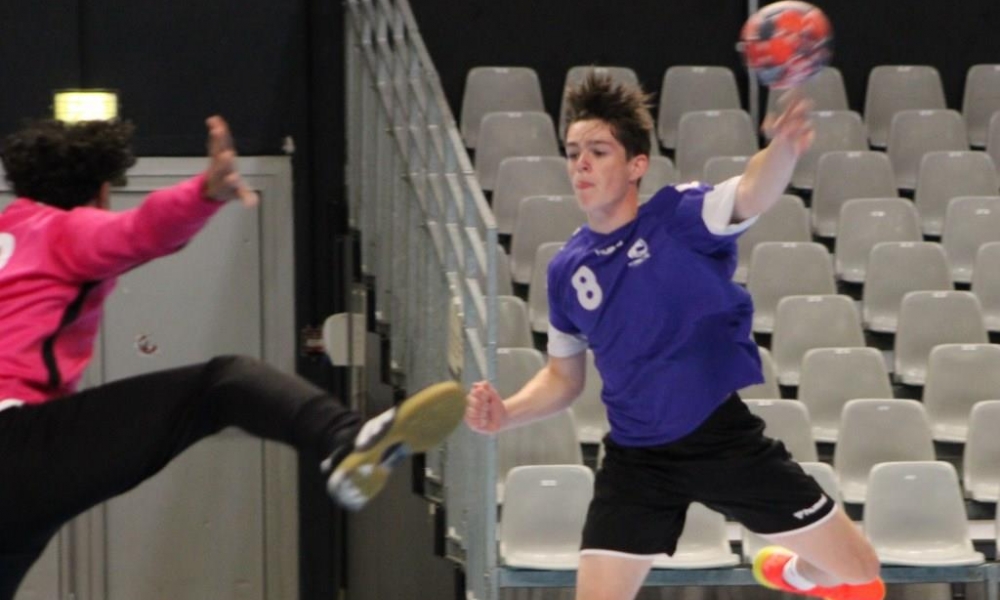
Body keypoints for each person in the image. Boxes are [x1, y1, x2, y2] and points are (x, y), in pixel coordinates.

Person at [0, 115, 465, 598]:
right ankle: (346, 441)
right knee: (222, 385)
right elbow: (138, 231)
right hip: (15, 447)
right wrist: (204, 191)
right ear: (100, 193)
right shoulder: (65, 230)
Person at [465, 74, 884, 600]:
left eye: (598, 151)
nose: (581, 165)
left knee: (859, 571)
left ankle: (791, 573)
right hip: (636, 459)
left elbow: (753, 190)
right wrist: (507, 412)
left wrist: (782, 148)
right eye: (573, 153)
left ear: (637, 164)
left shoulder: (680, 216)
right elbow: (563, 378)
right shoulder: (566, 270)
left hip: (719, 440)